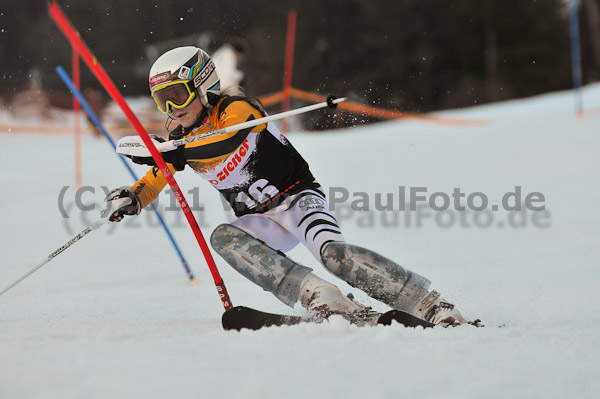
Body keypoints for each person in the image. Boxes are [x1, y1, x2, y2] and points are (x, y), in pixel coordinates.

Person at [104, 46, 473, 327]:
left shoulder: (237, 109)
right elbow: (158, 175)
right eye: (161, 100)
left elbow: (226, 143)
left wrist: (174, 152)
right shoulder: (182, 139)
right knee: (225, 237)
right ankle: (324, 299)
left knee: (335, 256)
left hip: (297, 200)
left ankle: (429, 304)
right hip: (260, 220)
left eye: (178, 95)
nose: (172, 108)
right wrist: (134, 196)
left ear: (202, 86)